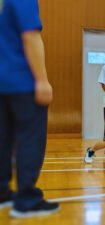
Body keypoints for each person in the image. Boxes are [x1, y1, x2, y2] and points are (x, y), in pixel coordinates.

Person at [0, 0, 59, 218]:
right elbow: (30, 36)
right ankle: (26, 200)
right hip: (21, 81)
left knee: (3, 138)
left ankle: (2, 192)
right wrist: (42, 81)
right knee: (30, 139)